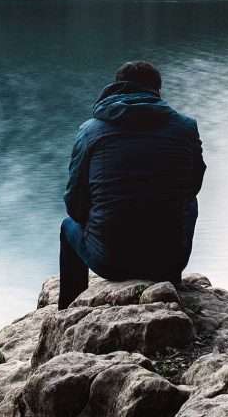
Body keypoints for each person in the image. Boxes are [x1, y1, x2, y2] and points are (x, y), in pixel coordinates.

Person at [59, 61, 206, 309]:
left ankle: (70, 310)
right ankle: (169, 283)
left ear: (116, 88)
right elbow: (193, 186)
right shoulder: (185, 128)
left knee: (68, 226)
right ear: (157, 91)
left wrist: (99, 222)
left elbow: (74, 203)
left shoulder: (90, 131)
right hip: (168, 261)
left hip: (110, 262)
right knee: (189, 202)